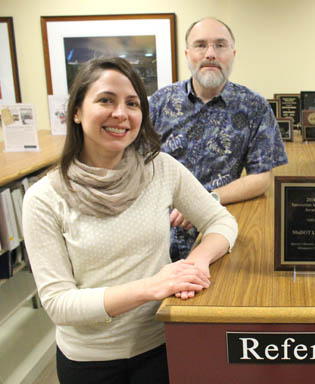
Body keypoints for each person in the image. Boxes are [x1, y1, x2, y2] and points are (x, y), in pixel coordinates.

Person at [22, 57, 238, 384]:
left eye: (133, 103)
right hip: (89, 362)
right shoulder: (44, 197)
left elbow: (222, 222)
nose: (121, 114)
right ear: (76, 112)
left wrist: (197, 262)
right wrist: (151, 287)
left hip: (163, 346)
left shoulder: (160, 169)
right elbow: (59, 304)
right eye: (106, 100)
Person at [149, 18, 287, 260]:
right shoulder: (159, 103)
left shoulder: (254, 107)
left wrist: (205, 201)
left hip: (216, 227)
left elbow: (261, 179)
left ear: (233, 54)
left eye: (220, 45)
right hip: (155, 229)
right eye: (200, 45)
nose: (210, 54)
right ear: (187, 53)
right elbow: (133, 165)